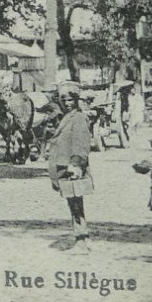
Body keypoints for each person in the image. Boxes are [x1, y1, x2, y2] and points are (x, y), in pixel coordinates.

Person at [46, 83, 95, 251]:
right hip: (63, 165)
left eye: (70, 100)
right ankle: (81, 234)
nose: (67, 103)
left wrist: (76, 163)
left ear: (76, 100)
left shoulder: (79, 118)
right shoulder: (66, 117)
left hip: (72, 166)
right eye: (64, 100)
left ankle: (82, 237)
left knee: (76, 202)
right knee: (72, 202)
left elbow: (81, 143)